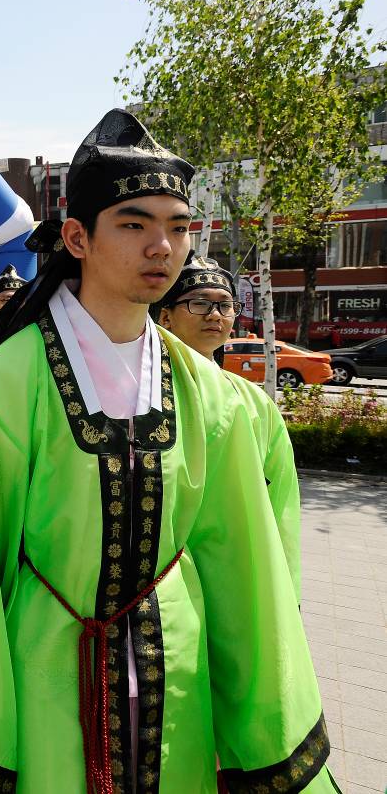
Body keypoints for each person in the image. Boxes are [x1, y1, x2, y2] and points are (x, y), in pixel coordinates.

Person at [0, 109, 334, 792]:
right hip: (49, 662)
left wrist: (264, 725)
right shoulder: (8, 378)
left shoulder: (210, 392)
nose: (162, 247)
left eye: (178, 227)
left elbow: (240, 563)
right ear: (78, 237)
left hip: (179, 663)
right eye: (136, 224)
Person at [155, 253, 301, 598]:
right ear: (165, 317)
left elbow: (279, 502)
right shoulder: (141, 394)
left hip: (234, 564)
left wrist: (285, 585)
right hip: (163, 569)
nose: (214, 315)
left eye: (224, 305)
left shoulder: (253, 402)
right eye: (199, 303)